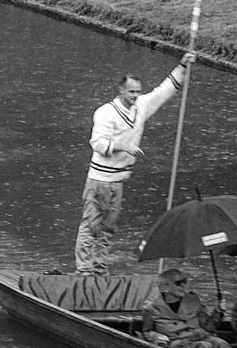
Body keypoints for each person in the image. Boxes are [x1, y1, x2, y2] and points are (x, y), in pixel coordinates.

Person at [75, 61, 189, 269]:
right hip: (100, 180)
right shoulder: (105, 113)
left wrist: (183, 66)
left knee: (108, 229)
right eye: (131, 92)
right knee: (91, 227)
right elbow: (97, 143)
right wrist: (122, 146)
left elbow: (164, 90)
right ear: (121, 90)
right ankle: (84, 270)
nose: (135, 96)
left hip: (119, 180)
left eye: (138, 92)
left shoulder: (141, 107)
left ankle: (99, 270)